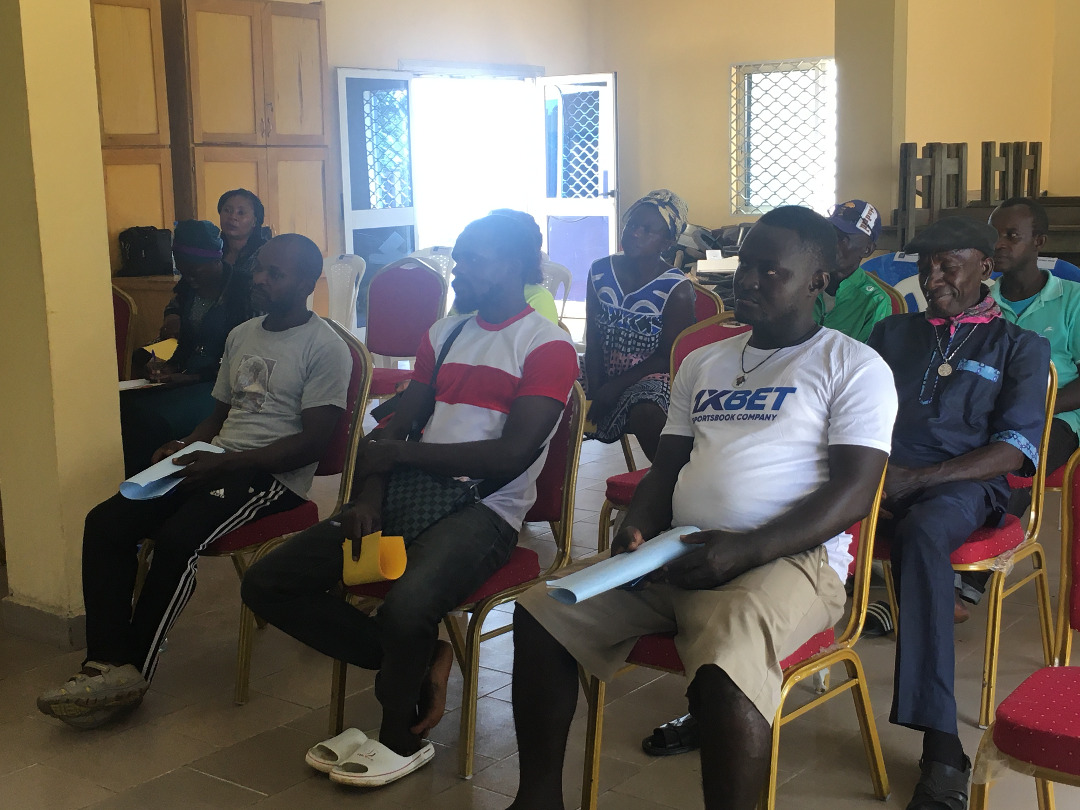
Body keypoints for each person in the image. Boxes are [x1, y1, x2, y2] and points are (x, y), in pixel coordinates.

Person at [506, 206, 897, 810]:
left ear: (817, 281)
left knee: (724, 669)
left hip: (790, 561)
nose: (748, 281)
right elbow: (666, 467)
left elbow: (853, 494)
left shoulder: (852, 366)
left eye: (771, 271)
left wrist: (744, 549)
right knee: (541, 612)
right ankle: (537, 801)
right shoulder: (704, 361)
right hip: (679, 551)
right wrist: (639, 524)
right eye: (746, 267)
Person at [240, 214, 579, 787]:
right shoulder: (445, 334)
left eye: (474, 259)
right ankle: (421, 660)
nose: (458, 269)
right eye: (459, 257)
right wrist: (370, 496)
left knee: (406, 605)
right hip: (410, 493)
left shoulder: (546, 345)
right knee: (268, 582)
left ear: (516, 266)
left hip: (486, 511)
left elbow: (510, 456)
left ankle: (400, 736)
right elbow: (392, 431)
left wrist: (403, 457)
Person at [37, 234, 351, 729]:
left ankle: (131, 674)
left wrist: (229, 463)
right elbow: (219, 416)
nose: (259, 279)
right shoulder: (243, 334)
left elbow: (312, 444)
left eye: (275, 273)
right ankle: (104, 661)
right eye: (259, 268)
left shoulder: (325, 347)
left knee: (178, 538)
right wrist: (185, 444)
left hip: (271, 477)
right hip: (218, 459)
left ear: (307, 283)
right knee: (106, 521)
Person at [866, 217, 1049, 810]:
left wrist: (919, 479)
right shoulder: (892, 333)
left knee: (923, 532)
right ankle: (730, 689)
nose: (933, 276)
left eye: (949, 264)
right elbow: (853, 408)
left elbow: (1014, 449)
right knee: (774, 503)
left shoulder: (1018, 345)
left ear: (984, 268)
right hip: (880, 474)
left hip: (965, 484)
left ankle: (943, 747)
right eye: (926, 266)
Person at [121, 220, 258, 475]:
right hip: (187, 375)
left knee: (153, 420)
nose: (190, 278)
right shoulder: (188, 288)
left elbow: (247, 360)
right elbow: (181, 326)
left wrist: (190, 377)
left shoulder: (244, 292)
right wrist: (168, 365)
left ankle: (158, 480)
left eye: (196, 271)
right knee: (124, 405)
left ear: (216, 260)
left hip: (221, 385)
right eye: (184, 271)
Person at [582, 189, 696, 461]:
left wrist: (613, 388)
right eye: (632, 224)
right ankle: (547, 475)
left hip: (652, 374)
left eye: (647, 230)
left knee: (647, 409)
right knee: (550, 383)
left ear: (666, 242)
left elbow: (667, 356)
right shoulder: (599, 271)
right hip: (601, 367)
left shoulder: (676, 289)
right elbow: (593, 338)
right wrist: (596, 387)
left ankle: (668, 477)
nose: (635, 233)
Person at [989, 197, 1080, 512]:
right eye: (994, 235)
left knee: (1008, 471)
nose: (998, 244)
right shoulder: (981, 304)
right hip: (989, 412)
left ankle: (997, 537)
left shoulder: (1073, 300)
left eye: (1012, 236)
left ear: (1039, 242)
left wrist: (1033, 408)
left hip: (1056, 415)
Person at [158, 190, 267, 343]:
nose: (232, 217)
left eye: (241, 213)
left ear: (255, 221)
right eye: (227, 210)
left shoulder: (265, 256)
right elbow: (183, 292)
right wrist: (173, 317)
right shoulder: (207, 250)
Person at [816, 199, 893, 342]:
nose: (832, 243)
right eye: (830, 234)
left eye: (842, 238)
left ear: (867, 249)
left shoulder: (875, 302)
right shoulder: (805, 284)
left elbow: (867, 355)